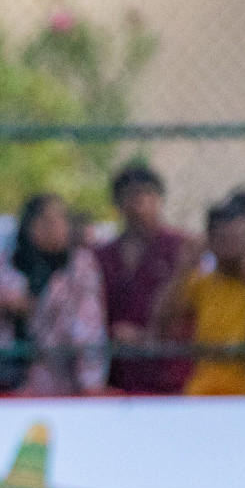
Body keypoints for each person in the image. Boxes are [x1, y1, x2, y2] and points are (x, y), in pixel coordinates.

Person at [0, 193, 107, 396]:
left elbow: (88, 334)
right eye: (46, 220)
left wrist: (91, 387)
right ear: (28, 224)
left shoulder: (81, 269)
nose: (54, 227)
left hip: (59, 390)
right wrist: (0, 309)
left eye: (61, 220)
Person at [152, 201, 245, 396]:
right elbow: (162, 318)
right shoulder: (200, 282)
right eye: (226, 239)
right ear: (211, 242)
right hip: (205, 387)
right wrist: (183, 268)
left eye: (240, 237)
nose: (234, 246)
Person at [95, 163, 193, 394]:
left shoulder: (181, 249)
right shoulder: (102, 255)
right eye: (130, 195)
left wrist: (149, 336)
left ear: (159, 199)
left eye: (146, 194)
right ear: (117, 202)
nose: (138, 204)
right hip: (117, 376)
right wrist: (112, 332)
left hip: (169, 373)